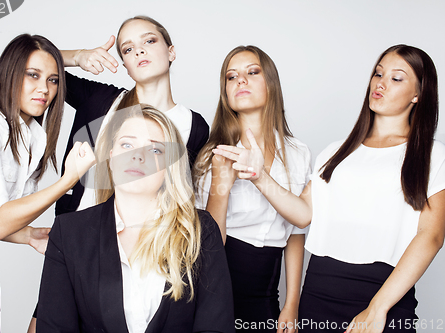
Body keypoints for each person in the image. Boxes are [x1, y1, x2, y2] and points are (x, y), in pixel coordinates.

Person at [213, 45, 445, 333]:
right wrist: (260, 177)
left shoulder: (433, 156)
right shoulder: (336, 152)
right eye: (377, 73)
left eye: (396, 78)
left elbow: (431, 236)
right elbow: (302, 215)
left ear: (418, 94)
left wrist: (378, 307)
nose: (380, 83)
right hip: (320, 288)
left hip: (384, 291)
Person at [37, 104, 234, 333]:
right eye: (127, 145)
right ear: (111, 157)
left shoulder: (200, 228)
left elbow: (215, 327)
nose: (137, 157)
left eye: (155, 150)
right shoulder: (68, 232)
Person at [0, 34, 95, 333]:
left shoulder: (31, 135)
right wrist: (68, 180)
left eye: (53, 80)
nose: (45, 89)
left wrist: (28, 235)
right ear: (10, 73)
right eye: (33, 75)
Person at [193, 45, 310, 333]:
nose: (240, 80)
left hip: (267, 287)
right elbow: (208, 244)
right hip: (216, 280)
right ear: (226, 92)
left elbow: (296, 231)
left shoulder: (298, 152)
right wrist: (222, 184)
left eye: (252, 72)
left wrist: (292, 303)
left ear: (271, 82)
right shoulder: (213, 154)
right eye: (231, 77)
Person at [55, 15, 209, 216]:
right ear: (126, 67)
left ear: (171, 52)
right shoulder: (100, 100)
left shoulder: (195, 125)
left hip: (147, 240)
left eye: (149, 41)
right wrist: (77, 56)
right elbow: (27, 62)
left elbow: (182, 195)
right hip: (80, 234)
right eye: (128, 49)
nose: (139, 51)